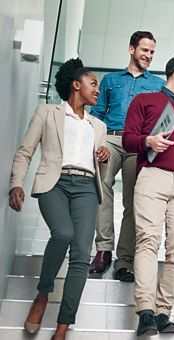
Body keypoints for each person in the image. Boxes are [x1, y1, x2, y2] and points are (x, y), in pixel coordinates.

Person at [8, 58, 110, 340]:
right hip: (56, 182)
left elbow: (102, 162)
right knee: (63, 233)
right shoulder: (47, 112)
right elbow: (25, 151)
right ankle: (43, 292)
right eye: (93, 84)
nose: (97, 90)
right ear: (76, 85)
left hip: (87, 187)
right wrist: (16, 183)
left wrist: (104, 156)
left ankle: (63, 325)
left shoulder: (98, 126)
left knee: (81, 255)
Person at [122, 54, 174, 336]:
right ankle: (145, 312)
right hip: (152, 176)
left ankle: (162, 313)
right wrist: (147, 140)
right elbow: (127, 139)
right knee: (147, 241)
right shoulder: (144, 101)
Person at [89, 31, 165, 282]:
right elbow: (98, 112)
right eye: (145, 50)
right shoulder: (110, 80)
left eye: (152, 52)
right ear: (132, 49)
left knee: (134, 202)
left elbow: (160, 119)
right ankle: (103, 249)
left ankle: (125, 260)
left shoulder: (157, 85)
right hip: (111, 137)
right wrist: (97, 140)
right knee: (102, 187)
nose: (149, 55)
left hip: (138, 143)